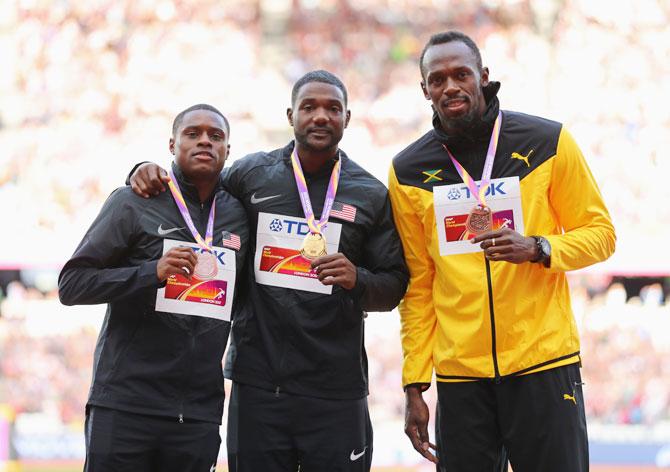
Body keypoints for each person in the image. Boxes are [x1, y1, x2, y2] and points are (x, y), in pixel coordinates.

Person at [129, 70, 409, 472]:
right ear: (290, 115)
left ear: (347, 118)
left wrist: (357, 278)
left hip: (335, 390)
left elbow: (394, 284)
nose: (320, 116)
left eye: (332, 108)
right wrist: (141, 168)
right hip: (259, 385)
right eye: (309, 107)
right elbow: (194, 190)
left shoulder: (369, 192)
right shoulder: (250, 174)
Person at [388, 31, 616, 471]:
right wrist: (414, 382)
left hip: (544, 365)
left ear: (483, 77)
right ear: (425, 91)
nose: (450, 86)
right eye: (437, 79)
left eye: (461, 74)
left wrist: (538, 247)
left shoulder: (548, 141)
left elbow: (601, 233)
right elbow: (419, 285)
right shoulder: (408, 171)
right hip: (460, 378)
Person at [58, 104, 249, 471]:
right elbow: (72, 284)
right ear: (172, 145)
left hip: (197, 415)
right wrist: (151, 273)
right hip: (126, 406)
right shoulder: (134, 200)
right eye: (192, 134)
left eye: (216, 136)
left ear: (229, 150)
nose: (205, 141)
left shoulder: (239, 213)